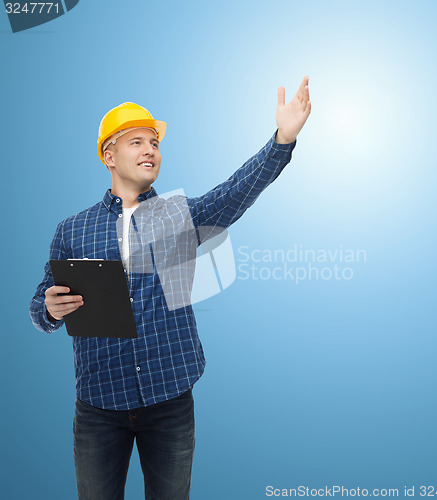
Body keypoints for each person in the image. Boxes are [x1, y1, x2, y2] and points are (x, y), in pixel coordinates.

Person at [29, 76, 311, 500]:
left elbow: (235, 192)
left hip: (170, 401)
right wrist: (50, 309)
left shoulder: (177, 216)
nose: (150, 150)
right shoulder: (72, 229)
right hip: (98, 408)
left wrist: (282, 140)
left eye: (155, 143)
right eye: (137, 142)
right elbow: (40, 305)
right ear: (109, 154)